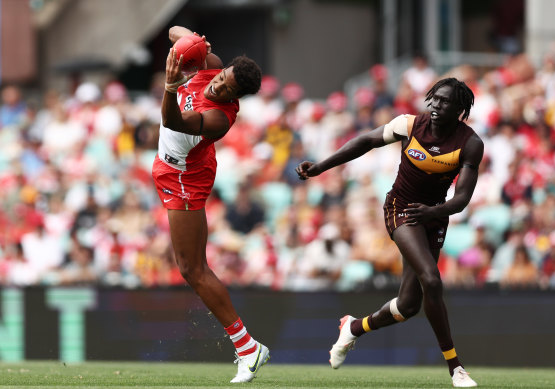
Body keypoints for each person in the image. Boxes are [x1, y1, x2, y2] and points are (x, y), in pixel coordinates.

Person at [296, 78, 483, 388]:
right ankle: (456, 368)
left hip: (433, 216)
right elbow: (366, 141)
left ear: (461, 110)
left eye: (446, 102)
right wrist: (321, 167)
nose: (436, 106)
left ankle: (354, 327)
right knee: (432, 279)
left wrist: (434, 212)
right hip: (401, 210)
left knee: (408, 305)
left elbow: (461, 199)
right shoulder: (408, 125)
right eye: (434, 99)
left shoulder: (470, 143)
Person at [151, 26, 269, 383]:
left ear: (237, 97)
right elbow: (174, 31)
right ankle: (248, 347)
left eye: (229, 89)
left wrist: (171, 86)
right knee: (191, 266)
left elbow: (170, 119)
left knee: (192, 269)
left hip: (185, 177)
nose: (219, 85)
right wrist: (195, 42)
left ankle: (248, 348)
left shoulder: (219, 118)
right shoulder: (211, 64)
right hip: (174, 164)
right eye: (222, 77)